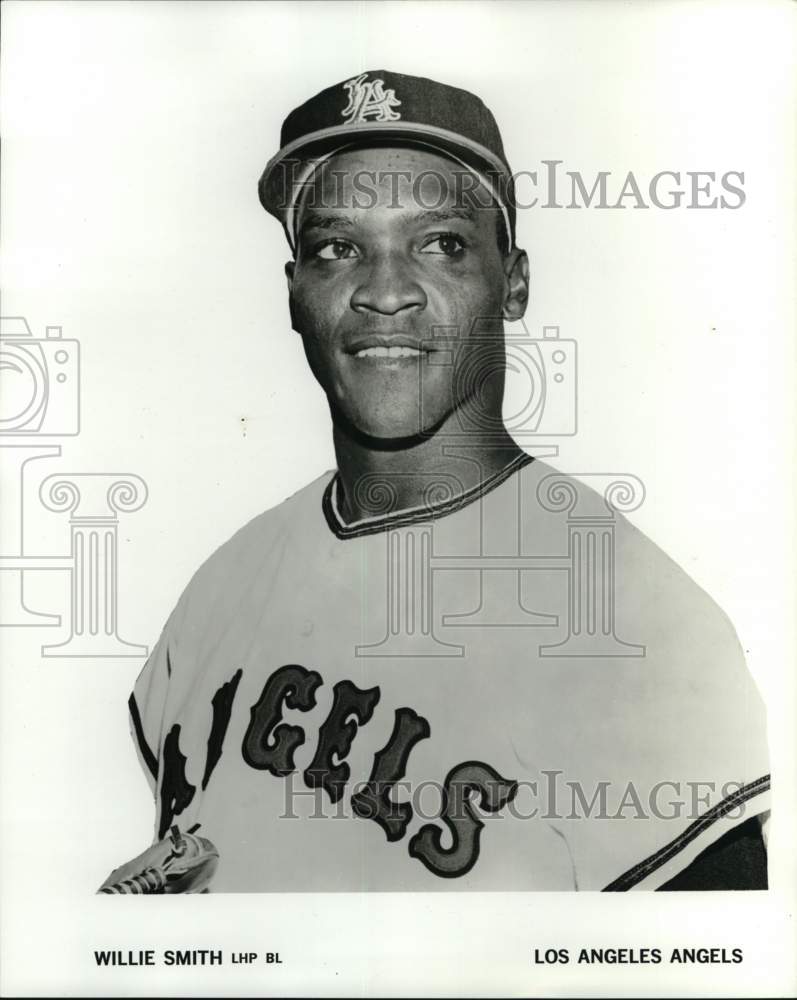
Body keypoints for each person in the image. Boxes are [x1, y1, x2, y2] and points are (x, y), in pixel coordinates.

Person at [108, 70, 769, 893]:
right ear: (293, 293)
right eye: (336, 247)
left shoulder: (639, 628)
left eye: (441, 244)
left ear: (513, 282)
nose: (384, 293)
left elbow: (708, 955)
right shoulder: (224, 583)